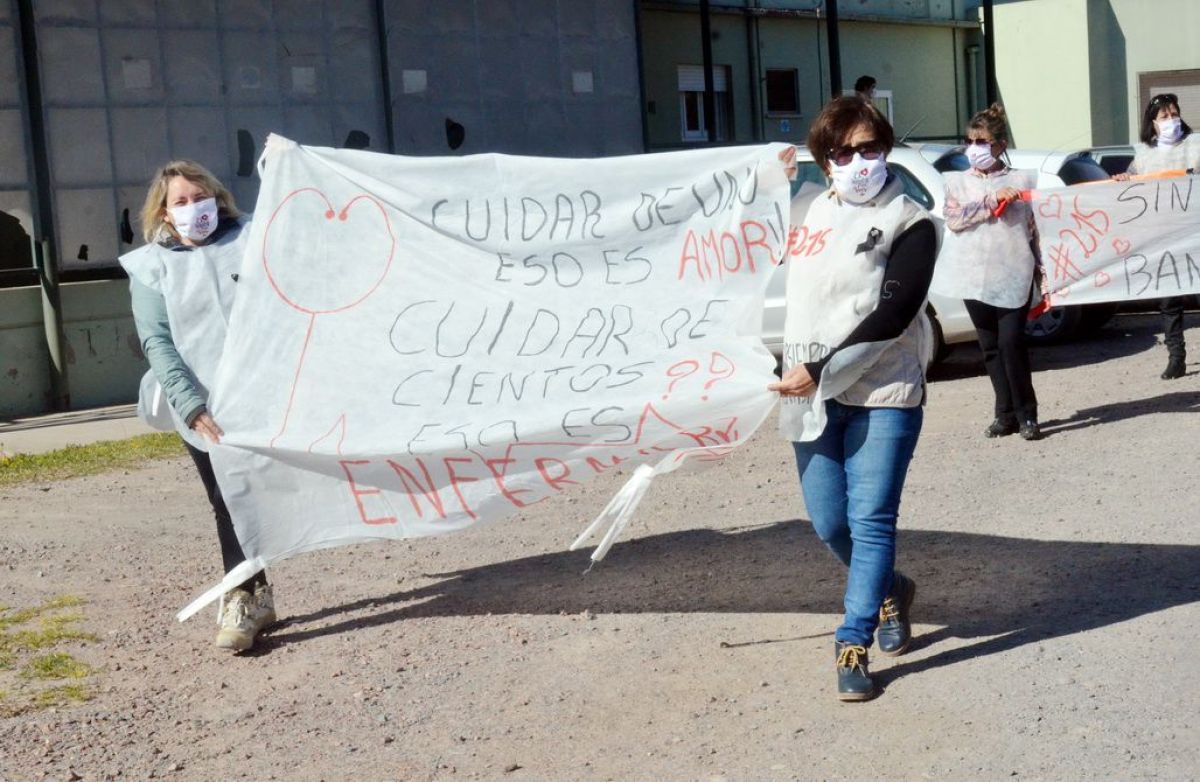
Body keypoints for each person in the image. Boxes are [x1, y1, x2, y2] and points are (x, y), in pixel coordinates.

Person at [770, 96, 937, 701]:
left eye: (869, 148)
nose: (857, 161)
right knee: (829, 523)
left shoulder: (911, 221)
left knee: (870, 521)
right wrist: (764, 185)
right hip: (811, 396)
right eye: (842, 153)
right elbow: (746, 250)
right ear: (825, 161)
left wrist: (821, 369)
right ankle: (893, 588)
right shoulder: (810, 212)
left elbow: (894, 312)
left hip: (882, 390)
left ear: (885, 149)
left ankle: (853, 640)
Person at [119, 160, 275, 652]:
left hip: (261, 394)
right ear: (164, 213)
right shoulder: (151, 268)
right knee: (227, 498)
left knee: (265, 494)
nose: (193, 208)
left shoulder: (251, 239)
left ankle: (256, 593)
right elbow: (158, 343)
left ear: (217, 198)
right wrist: (190, 406)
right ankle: (244, 598)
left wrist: (282, 165)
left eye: (200, 197)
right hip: (202, 406)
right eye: (181, 201)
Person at [931, 103, 1044, 441]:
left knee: (1012, 343)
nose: (974, 148)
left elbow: (1036, 230)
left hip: (1012, 274)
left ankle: (1027, 414)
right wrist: (991, 201)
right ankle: (1004, 414)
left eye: (982, 142)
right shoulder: (957, 182)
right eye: (969, 141)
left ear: (1000, 145)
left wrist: (1044, 274)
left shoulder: (1021, 180)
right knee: (990, 346)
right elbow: (955, 219)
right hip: (972, 276)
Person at [1116, 94, 1200, 379]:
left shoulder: (1196, 146)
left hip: (1194, 232)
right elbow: (1130, 184)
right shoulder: (1143, 156)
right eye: (1164, 117)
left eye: (1174, 114)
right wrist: (1123, 181)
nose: (1171, 120)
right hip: (1163, 236)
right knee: (1169, 300)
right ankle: (1176, 357)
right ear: (1152, 123)